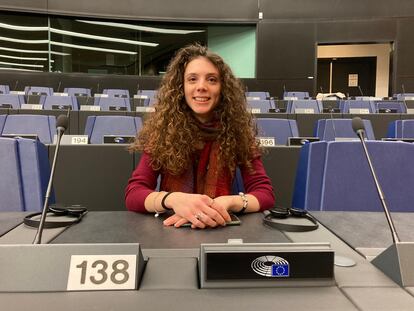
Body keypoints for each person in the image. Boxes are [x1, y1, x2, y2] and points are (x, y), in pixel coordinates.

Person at [125, 43, 275, 229]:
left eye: (212, 79)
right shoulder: (163, 132)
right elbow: (134, 193)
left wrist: (229, 202)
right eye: (192, 79)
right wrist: (172, 200)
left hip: (219, 224)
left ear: (223, 89)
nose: (201, 87)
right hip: (172, 228)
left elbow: (265, 193)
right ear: (181, 87)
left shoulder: (238, 133)